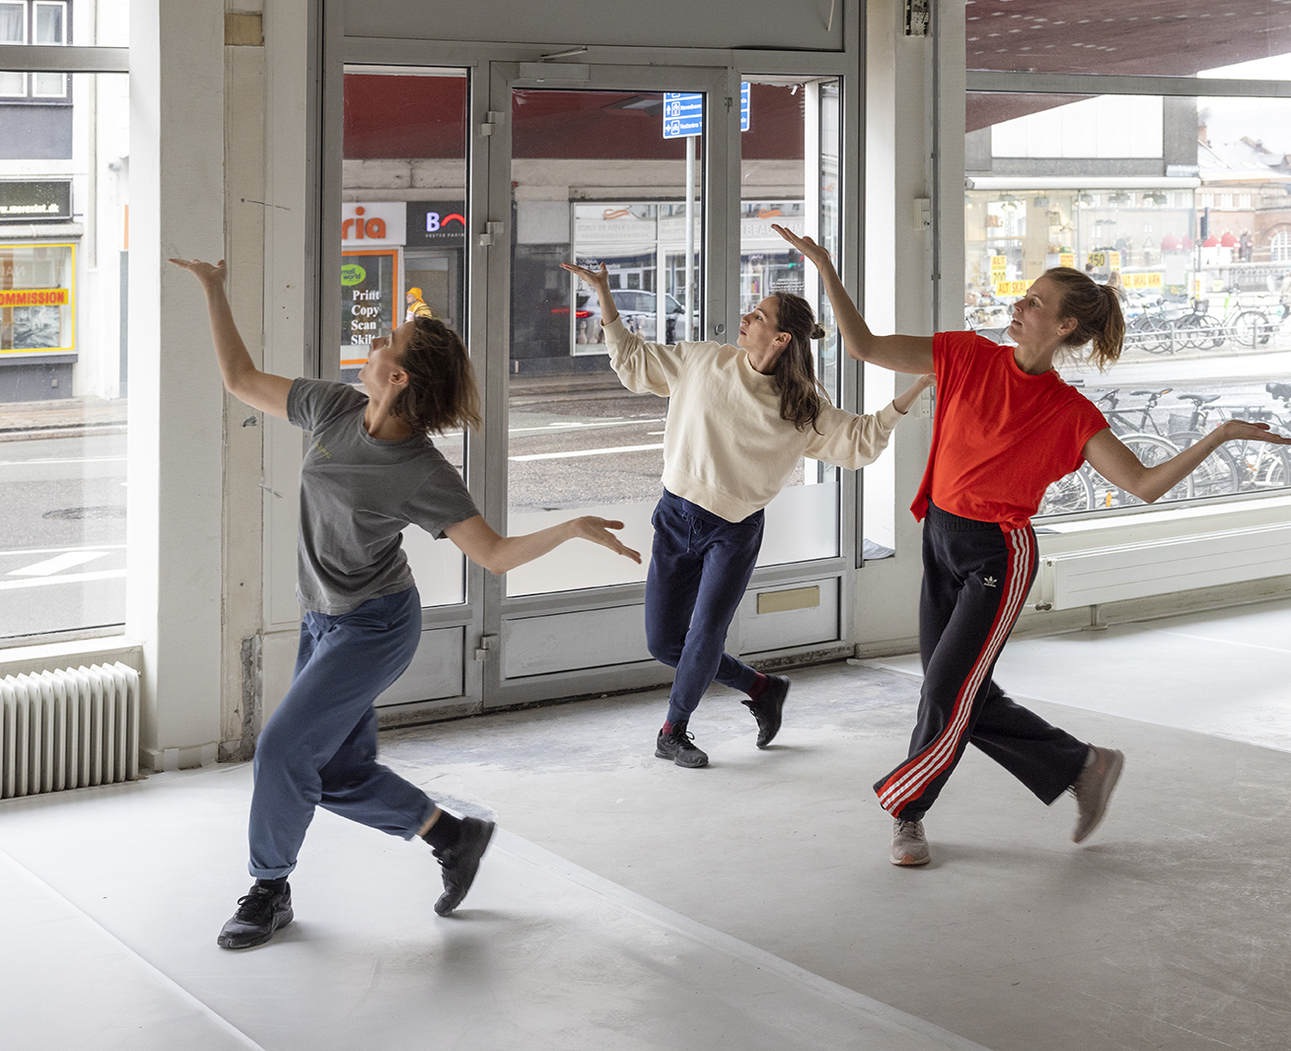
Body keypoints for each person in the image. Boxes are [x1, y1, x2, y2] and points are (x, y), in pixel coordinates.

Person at [770, 225, 1291, 867]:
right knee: (960, 690)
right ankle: (1083, 765)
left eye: (1036, 302)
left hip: (999, 558)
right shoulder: (965, 355)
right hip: (940, 536)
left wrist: (1218, 435)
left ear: (1067, 326)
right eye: (1025, 296)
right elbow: (865, 345)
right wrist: (825, 265)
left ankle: (907, 812)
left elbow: (1142, 484)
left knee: (944, 693)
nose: (1019, 305)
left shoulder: (1070, 413)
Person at [171, 257, 642, 949]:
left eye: (384, 341)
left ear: (399, 377)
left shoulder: (423, 472)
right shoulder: (334, 407)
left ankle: (269, 890)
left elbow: (493, 555)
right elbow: (241, 381)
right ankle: (453, 837)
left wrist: (570, 527)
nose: (371, 345)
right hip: (321, 618)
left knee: (280, 752)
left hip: (376, 625)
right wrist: (216, 288)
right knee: (335, 770)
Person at [562, 261, 929, 769]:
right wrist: (603, 293)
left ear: (779, 338)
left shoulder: (800, 407)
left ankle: (674, 730)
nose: (745, 317)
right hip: (675, 516)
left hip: (733, 531)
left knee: (705, 634)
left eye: (757, 315)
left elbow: (861, 440)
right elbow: (632, 363)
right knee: (665, 642)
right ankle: (762, 687)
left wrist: (917, 388)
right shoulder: (703, 361)